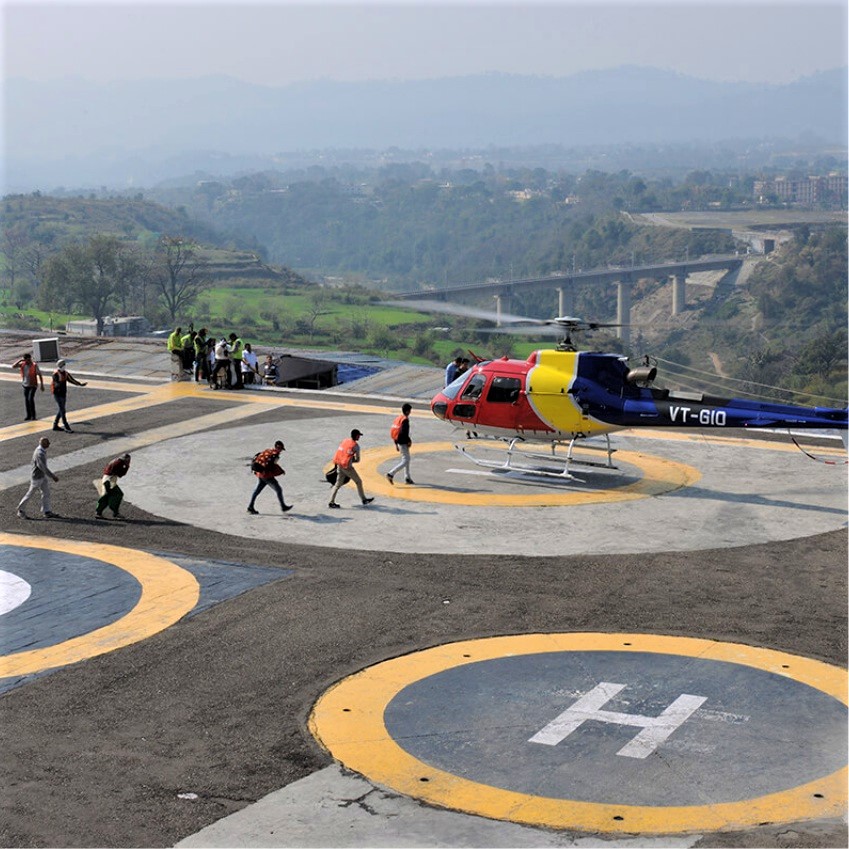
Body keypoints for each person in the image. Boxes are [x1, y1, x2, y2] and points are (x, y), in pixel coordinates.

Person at [328, 429, 374, 509]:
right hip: (347, 467)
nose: (359, 437)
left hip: (339, 464)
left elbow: (341, 452)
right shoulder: (355, 446)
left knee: (337, 484)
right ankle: (363, 499)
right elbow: (358, 460)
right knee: (358, 481)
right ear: (356, 436)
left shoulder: (345, 441)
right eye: (359, 435)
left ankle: (331, 502)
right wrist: (352, 460)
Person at [16, 437, 59, 519]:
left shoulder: (41, 450)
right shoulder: (40, 453)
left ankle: (47, 511)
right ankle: (21, 510)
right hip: (37, 477)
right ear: (43, 443)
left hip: (42, 476)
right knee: (30, 493)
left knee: (46, 493)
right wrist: (53, 476)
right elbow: (42, 467)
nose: (49, 444)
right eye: (47, 443)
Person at [247, 440, 293, 514]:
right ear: (278, 448)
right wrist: (280, 471)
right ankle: (283, 507)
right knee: (278, 489)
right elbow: (272, 466)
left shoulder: (268, 450)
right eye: (281, 449)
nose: (281, 451)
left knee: (257, 491)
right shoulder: (275, 455)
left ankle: (250, 507)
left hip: (260, 474)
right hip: (266, 476)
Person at [51, 359, 87, 432]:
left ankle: (55, 425)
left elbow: (72, 380)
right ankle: (66, 426)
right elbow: (56, 383)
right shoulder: (56, 374)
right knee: (62, 410)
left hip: (63, 393)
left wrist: (79, 384)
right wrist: (59, 384)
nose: (64, 366)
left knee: (61, 410)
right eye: (63, 365)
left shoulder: (65, 373)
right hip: (57, 394)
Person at [386, 403, 415, 485]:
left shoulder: (398, 418)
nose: (410, 412)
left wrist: (396, 443)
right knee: (406, 460)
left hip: (398, 441)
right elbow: (403, 433)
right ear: (407, 411)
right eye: (410, 410)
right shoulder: (405, 420)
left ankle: (407, 477)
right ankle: (391, 474)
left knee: (406, 459)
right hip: (403, 442)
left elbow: (395, 430)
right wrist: (408, 441)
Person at [96, 453, 131, 519]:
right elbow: (121, 474)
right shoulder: (119, 463)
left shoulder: (116, 461)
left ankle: (99, 513)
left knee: (105, 497)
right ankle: (115, 513)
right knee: (118, 494)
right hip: (109, 481)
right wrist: (127, 466)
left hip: (106, 479)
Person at [13, 352, 45, 421]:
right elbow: (13, 366)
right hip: (25, 385)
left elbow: (39, 374)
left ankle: (33, 415)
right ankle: (28, 415)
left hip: (33, 385)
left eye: (29, 359)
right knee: (26, 400)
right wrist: (20, 360)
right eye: (26, 360)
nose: (28, 361)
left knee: (30, 399)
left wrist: (42, 385)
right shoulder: (22, 364)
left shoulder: (34, 365)